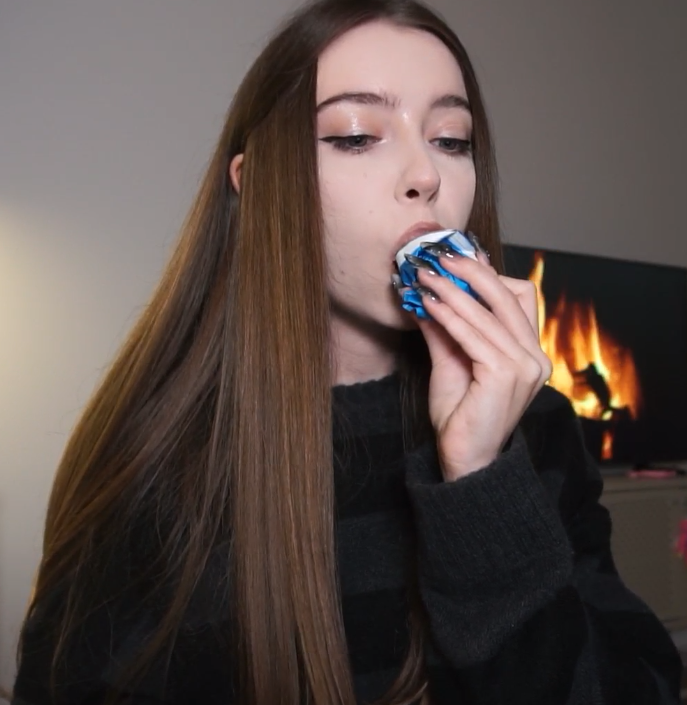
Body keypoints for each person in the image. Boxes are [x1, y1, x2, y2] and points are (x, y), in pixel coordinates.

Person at [10, 0, 684, 703]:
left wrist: (482, 482)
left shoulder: (533, 426)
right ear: (257, 183)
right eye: (357, 136)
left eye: (451, 139)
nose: (425, 173)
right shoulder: (157, 458)